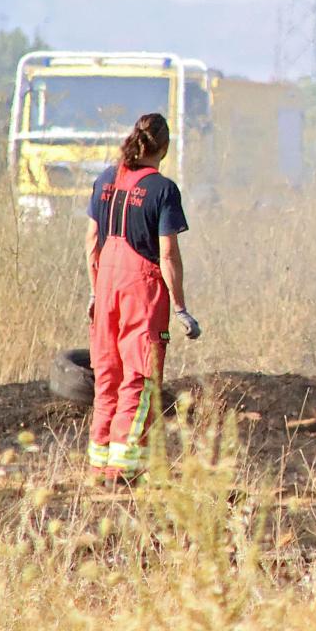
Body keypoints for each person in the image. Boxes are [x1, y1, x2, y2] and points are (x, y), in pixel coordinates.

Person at [83, 113, 201, 483]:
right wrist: (180, 308)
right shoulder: (163, 190)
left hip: (106, 286)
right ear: (163, 148)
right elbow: (167, 256)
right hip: (141, 289)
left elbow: (91, 242)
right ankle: (125, 466)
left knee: (107, 376)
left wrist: (95, 290)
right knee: (139, 377)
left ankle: (99, 462)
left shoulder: (105, 179)